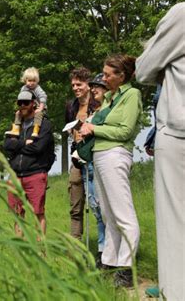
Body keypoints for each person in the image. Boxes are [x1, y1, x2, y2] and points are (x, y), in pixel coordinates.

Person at [135, 2, 185, 300]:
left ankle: (176, 292)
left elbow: (143, 69)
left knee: (176, 225)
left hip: (179, 133)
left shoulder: (182, 13)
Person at [80, 54, 142, 288]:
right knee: (107, 214)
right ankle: (109, 261)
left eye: (107, 74)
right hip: (100, 156)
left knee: (123, 214)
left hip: (116, 155)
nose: (103, 77)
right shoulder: (108, 99)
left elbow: (125, 131)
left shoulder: (132, 95)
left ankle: (126, 269)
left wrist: (95, 129)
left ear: (121, 76)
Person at [4, 91, 55, 237]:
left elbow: (38, 148)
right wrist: (25, 143)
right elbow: (7, 145)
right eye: (19, 103)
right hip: (15, 175)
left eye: (25, 102)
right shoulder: (16, 125)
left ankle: (41, 251)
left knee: (38, 213)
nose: (22, 106)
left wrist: (17, 145)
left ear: (33, 103)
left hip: (35, 173)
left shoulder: (44, 124)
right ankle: (21, 251)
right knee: (17, 213)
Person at [73, 73, 108, 267]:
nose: (94, 89)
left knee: (104, 209)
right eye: (93, 86)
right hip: (87, 164)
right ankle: (103, 251)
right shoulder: (95, 112)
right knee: (95, 208)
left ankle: (108, 252)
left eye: (98, 86)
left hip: (100, 163)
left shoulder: (108, 111)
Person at [65, 67, 99, 244]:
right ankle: (75, 247)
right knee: (75, 206)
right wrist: (73, 132)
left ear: (88, 85)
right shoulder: (71, 106)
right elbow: (69, 127)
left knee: (97, 204)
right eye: (73, 85)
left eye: (79, 84)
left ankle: (105, 249)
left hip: (95, 157)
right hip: (77, 158)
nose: (75, 88)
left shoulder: (98, 103)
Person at [6, 67, 48, 138]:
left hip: (39, 106)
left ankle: (36, 128)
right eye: (29, 81)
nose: (31, 83)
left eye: (34, 81)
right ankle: (16, 128)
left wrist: (40, 108)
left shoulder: (37, 88)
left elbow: (43, 97)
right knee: (18, 113)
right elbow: (21, 99)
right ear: (25, 80)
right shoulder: (23, 88)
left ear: (37, 81)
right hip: (28, 106)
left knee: (38, 114)